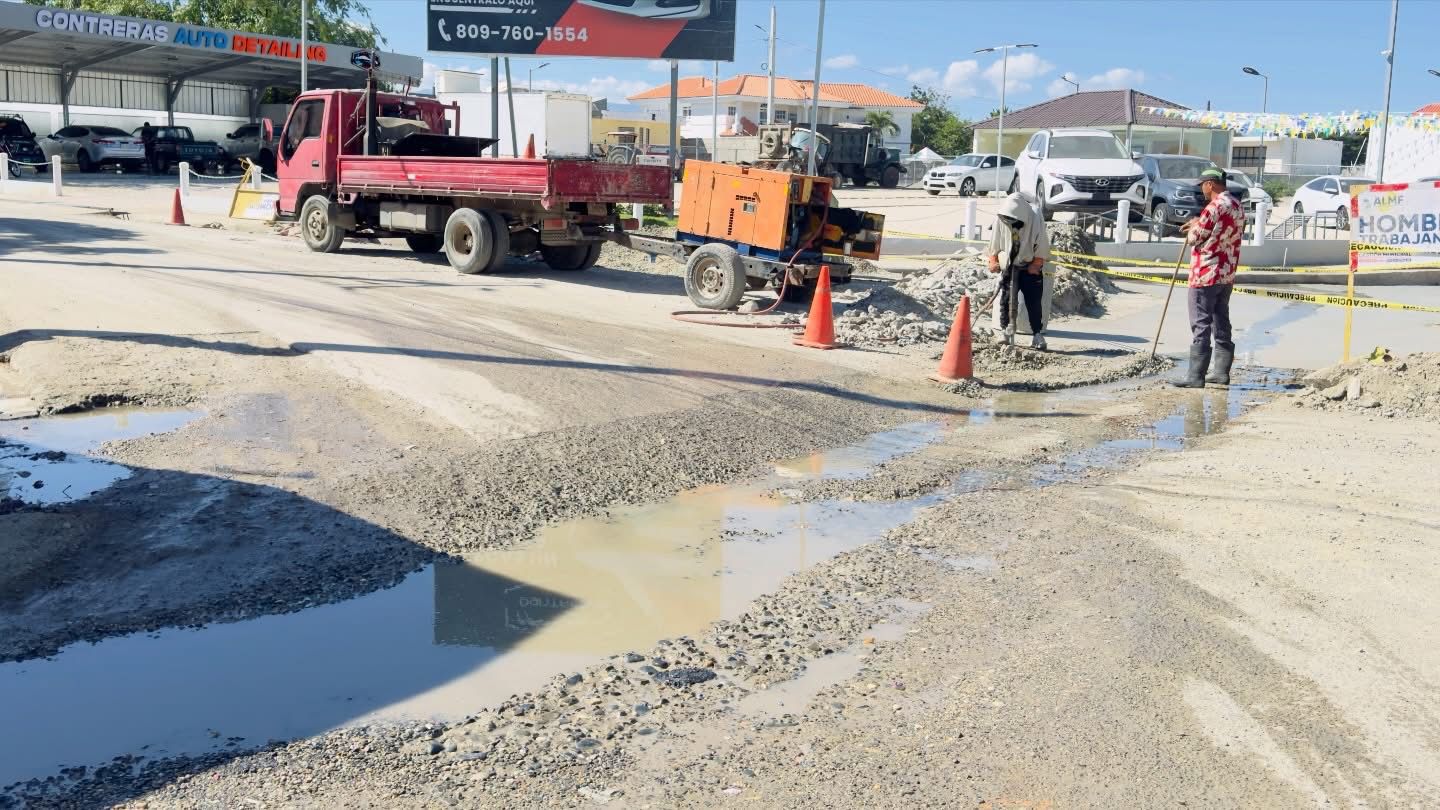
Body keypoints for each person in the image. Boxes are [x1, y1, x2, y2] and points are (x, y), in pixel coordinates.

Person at [1174, 167, 1244, 387]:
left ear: (1210, 184)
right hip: (1227, 272)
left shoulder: (1214, 207)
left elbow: (1196, 238)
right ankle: (1221, 373)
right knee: (1221, 320)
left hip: (1205, 273)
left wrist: (1194, 225)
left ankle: (1195, 376)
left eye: (1202, 185)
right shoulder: (1236, 205)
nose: (1202, 189)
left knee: (1201, 322)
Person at [985, 193, 1051, 349]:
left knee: (1034, 302)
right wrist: (993, 260)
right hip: (1009, 265)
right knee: (1006, 300)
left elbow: (1042, 243)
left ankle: (1037, 335)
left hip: (1029, 266)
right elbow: (994, 242)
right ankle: (1005, 332)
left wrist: (1037, 262)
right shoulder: (1002, 217)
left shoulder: (1034, 217)